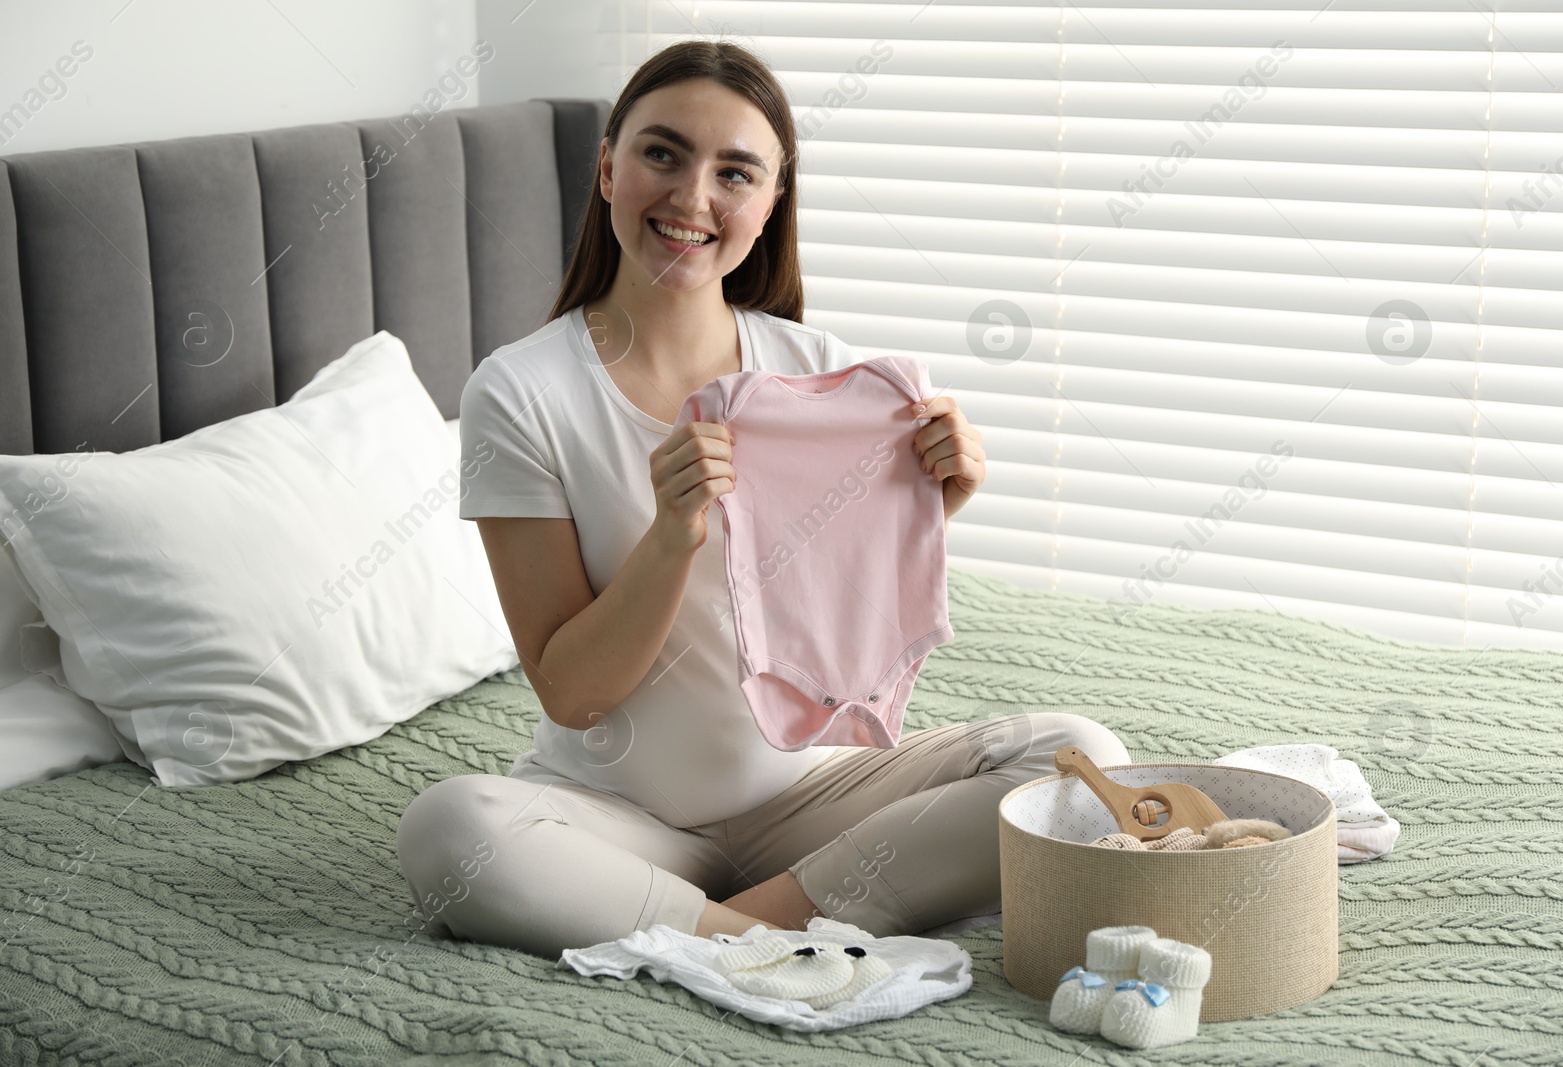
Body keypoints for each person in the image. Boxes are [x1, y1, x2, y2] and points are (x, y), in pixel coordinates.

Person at [394, 38, 1130, 962]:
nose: (693, 198)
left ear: (770, 201)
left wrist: (928, 511)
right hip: (618, 815)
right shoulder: (520, 390)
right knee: (449, 829)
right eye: (662, 153)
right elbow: (574, 695)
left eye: (734, 172)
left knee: (1083, 755)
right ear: (608, 168)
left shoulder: (819, 371)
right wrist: (671, 534)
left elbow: (834, 618)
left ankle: (757, 927)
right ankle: (777, 931)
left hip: (811, 802)